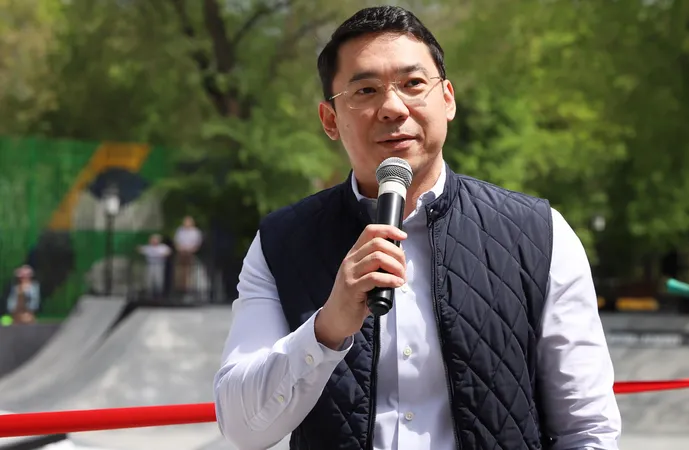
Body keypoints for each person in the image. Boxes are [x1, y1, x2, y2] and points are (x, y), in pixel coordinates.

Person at [214, 6, 621, 450]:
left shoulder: (539, 234)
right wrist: (326, 329)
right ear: (330, 120)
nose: (392, 107)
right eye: (365, 90)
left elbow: (588, 429)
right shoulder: (281, 242)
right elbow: (242, 429)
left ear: (447, 99)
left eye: (412, 84)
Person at [137, 234, 172, 300]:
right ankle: (149, 294)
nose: (154, 241)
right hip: (150, 264)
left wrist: (161, 254)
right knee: (149, 279)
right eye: (152, 240)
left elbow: (168, 252)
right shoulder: (148, 247)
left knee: (158, 280)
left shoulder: (162, 247)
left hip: (159, 264)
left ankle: (159, 294)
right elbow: (139, 249)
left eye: (155, 240)